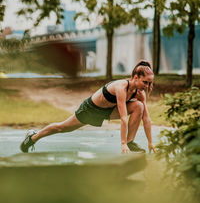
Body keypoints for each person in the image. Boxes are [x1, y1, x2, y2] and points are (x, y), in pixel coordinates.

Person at [20, 60, 157, 154]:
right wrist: (122, 144)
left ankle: (131, 142)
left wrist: (150, 142)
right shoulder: (121, 87)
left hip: (108, 111)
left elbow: (146, 119)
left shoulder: (139, 94)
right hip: (91, 110)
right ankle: (32, 137)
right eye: (145, 82)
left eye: (149, 83)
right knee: (62, 128)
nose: (146, 86)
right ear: (135, 77)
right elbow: (123, 118)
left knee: (139, 106)